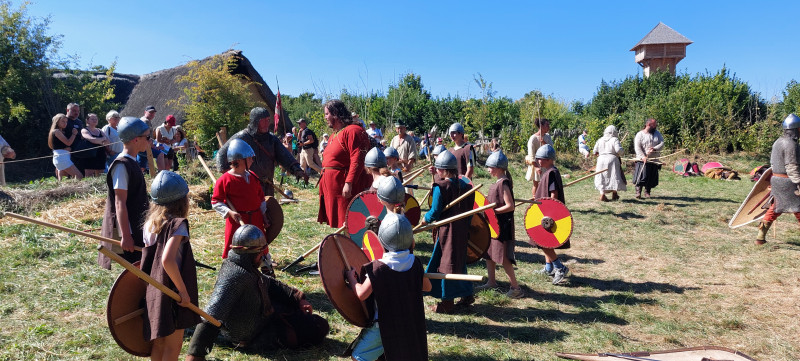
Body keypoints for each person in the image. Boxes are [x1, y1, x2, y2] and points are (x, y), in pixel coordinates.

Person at [185, 225, 329, 360]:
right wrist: (195, 355)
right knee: (318, 326)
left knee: (294, 309)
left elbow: (267, 283)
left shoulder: (244, 266)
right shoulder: (235, 276)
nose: (262, 256)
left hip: (260, 318)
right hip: (253, 336)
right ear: (253, 253)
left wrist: (297, 298)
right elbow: (211, 316)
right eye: (260, 253)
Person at [345, 213, 431, 361]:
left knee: (358, 356)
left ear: (382, 240)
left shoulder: (378, 268)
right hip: (409, 323)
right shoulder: (415, 263)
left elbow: (362, 294)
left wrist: (351, 279)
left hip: (384, 326)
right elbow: (427, 287)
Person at [140, 170, 199, 361]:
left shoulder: (150, 224)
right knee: (173, 346)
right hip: (173, 292)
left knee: (159, 343)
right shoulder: (178, 224)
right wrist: (182, 292)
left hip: (154, 290)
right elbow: (167, 260)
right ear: (183, 200)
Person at [419, 150, 474, 313]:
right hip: (462, 229)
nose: (436, 171)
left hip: (447, 232)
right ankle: (467, 294)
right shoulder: (467, 186)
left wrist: (425, 219)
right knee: (459, 261)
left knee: (446, 264)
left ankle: (447, 302)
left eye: (438, 168)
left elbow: (435, 212)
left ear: (443, 170)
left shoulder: (441, 187)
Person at [216, 107, 307, 197]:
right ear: (255, 121)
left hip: (268, 185)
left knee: (268, 206)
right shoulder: (243, 137)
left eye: (268, 120)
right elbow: (221, 155)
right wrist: (233, 177)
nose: (267, 124)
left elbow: (285, 156)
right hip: (248, 186)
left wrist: (297, 170)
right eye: (263, 121)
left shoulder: (271, 139)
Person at [98, 117, 151, 269]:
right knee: (137, 271)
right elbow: (119, 202)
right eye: (147, 137)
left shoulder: (132, 162)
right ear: (136, 139)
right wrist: (126, 236)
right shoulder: (121, 166)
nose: (149, 141)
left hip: (138, 225)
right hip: (130, 230)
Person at [211, 139, 272, 262]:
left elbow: (260, 198)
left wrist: (264, 216)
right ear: (239, 160)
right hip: (237, 221)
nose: (252, 160)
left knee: (260, 246)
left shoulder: (253, 176)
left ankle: (265, 267)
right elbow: (216, 201)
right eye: (249, 158)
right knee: (235, 247)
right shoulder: (225, 180)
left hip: (256, 218)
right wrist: (229, 212)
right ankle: (233, 268)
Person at [317, 100, 372, 228]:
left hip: (345, 185)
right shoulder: (334, 135)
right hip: (333, 186)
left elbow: (357, 158)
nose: (325, 117)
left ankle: (350, 240)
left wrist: (349, 182)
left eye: (327, 114)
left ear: (335, 113)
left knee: (351, 222)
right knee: (342, 223)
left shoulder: (353, 131)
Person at [476, 150, 522, 298]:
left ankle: (515, 288)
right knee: (489, 253)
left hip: (502, 226)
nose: (488, 170)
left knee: (503, 258)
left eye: (490, 167)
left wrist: (493, 212)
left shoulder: (503, 183)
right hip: (492, 225)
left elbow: (510, 205)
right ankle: (491, 282)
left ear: (497, 168)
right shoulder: (497, 182)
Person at [755, 114, 800, 245]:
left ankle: (760, 237)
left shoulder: (778, 142)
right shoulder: (791, 144)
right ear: (796, 129)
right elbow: (791, 166)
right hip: (789, 181)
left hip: (777, 179)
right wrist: (798, 182)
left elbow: (773, 164)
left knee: (775, 208)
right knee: (798, 208)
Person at [533, 144, 570, 285]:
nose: (538, 161)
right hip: (544, 212)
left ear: (548, 159)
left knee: (543, 242)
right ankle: (549, 267)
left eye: (540, 159)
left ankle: (559, 267)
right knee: (545, 241)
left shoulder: (552, 173)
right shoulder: (547, 172)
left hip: (548, 214)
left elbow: (554, 194)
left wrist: (551, 212)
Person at [633, 118, 664, 199]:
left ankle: (647, 192)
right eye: (654, 125)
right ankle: (638, 192)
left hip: (653, 160)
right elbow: (637, 147)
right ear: (649, 125)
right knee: (640, 177)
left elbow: (662, 143)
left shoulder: (657, 133)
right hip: (641, 159)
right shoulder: (640, 134)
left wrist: (655, 148)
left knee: (651, 177)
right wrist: (643, 157)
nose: (656, 126)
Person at [593, 125, 626, 201]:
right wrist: (622, 152)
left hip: (601, 160)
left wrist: (600, 154)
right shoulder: (615, 139)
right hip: (612, 160)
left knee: (601, 177)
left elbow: (594, 151)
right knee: (614, 176)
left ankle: (603, 194)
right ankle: (614, 193)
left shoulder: (600, 140)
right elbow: (619, 150)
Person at [48, 113, 84, 180]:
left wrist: (66, 148)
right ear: (57, 121)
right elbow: (68, 142)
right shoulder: (57, 131)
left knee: (64, 180)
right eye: (63, 121)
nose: (65, 123)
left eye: (66, 122)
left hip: (62, 157)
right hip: (62, 158)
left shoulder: (61, 131)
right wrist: (74, 134)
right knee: (79, 176)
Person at [526, 118, 553, 196]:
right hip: (537, 164)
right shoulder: (533, 138)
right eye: (547, 125)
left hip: (547, 164)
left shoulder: (547, 136)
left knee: (546, 184)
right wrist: (536, 167)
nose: (548, 127)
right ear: (541, 126)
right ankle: (536, 200)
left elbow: (551, 149)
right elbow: (531, 154)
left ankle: (545, 200)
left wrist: (544, 142)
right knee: (536, 184)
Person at [81, 113, 112, 177]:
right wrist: (103, 139)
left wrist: (98, 141)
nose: (95, 120)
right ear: (87, 120)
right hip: (89, 155)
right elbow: (92, 140)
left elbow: (108, 142)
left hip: (100, 154)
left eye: (96, 119)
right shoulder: (84, 130)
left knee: (100, 175)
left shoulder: (99, 130)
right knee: (89, 175)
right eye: (92, 119)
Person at [138, 106, 168, 173]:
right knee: (160, 154)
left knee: (141, 168)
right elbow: (147, 136)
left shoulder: (143, 120)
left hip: (140, 146)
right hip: (144, 146)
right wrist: (154, 147)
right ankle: (162, 174)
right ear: (145, 112)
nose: (152, 114)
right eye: (150, 112)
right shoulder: (145, 121)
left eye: (153, 113)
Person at [65, 103, 86, 174]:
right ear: (67, 110)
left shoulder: (79, 122)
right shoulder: (63, 121)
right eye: (74, 110)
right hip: (66, 151)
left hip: (79, 152)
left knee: (80, 173)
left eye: (78, 111)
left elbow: (81, 136)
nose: (76, 113)